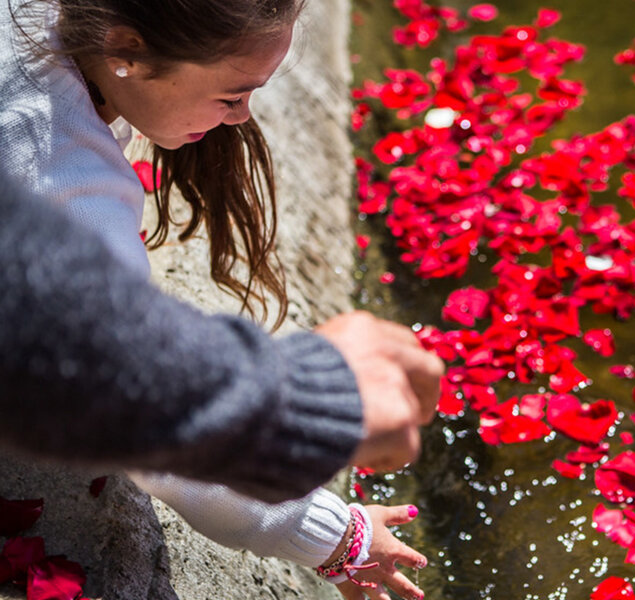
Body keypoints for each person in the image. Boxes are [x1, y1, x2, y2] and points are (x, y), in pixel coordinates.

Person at [0, 0, 437, 596]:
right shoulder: (59, 176)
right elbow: (140, 400)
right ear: (127, 51)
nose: (242, 118)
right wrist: (335, 535)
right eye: (232, 95)